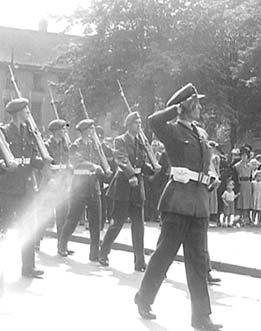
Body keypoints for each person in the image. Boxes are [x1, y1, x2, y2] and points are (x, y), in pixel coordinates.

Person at [134, 83, 222, 330]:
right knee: (164, 255)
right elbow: (152, 121)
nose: (201, 108)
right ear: (186, 107)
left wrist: (212, 177)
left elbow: (208, 163)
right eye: (197, 104)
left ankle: (201, 317)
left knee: (198, 260)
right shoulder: (172, 131)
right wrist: (176, 108)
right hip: (177, 203)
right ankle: (143, 298)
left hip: (199, 204)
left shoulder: (202, 134)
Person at [98, 112, 151, 271]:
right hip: (123, 187)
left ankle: (139, 261)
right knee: (117, 223)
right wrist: (131, 174)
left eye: (140, 123)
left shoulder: (141, 142)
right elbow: (121, 159)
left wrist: (153, 169)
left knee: (139, 226)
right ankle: (103, 252)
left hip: (137, 189)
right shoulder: (120, 140)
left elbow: (141, 163)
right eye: (136, 123)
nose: (139, 126)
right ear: (129, 125)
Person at [0, 98, 45, 278]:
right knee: (2, 228)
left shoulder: (30, 133)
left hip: (26, 186)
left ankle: (28, 268)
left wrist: (44, 163)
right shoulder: (4, 132)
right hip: (8, 188)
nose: (28, 113)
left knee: (28, 227)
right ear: (18, 112)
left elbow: (34, 156)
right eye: (26, 110)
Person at [58, 119, 107, 261]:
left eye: (93, 129)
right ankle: (62, 245)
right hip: (79, 187)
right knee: (72, 219)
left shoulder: (95, 146)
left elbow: (103, 160)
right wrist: (94, 166)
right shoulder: (75, 146)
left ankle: (94, 253)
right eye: (90, 129)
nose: (93, 132)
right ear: (84, 131)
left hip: (94, 186)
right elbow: (77, 162)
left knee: (95, 222)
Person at [45, 119, 72, 252]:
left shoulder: (65, 145)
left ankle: (62, 245)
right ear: (55, 131)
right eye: (62, 129)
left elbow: (67, 164)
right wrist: (50, 179)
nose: (64, 131)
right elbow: (45, 165)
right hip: (51, 182)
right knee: (45, 213)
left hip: (62, 183)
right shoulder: (47, 145)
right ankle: (37, 240)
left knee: (63, 214)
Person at [233, 147, 252, 226]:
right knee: (240, 202)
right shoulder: (236, 166)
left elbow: (251, 177)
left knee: (247, 201)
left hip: (248, 184)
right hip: (241, 184)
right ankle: (238, 218)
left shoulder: (249, 166)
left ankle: (246, 218)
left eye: (246, 155)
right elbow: (234, 177)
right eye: (242, 155)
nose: (244, 157)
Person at [208, 141, 221, 226]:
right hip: (207, 176)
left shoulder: (215, 158)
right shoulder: (204, 156)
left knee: (213, 198)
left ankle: (212, 215)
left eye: (212, 148)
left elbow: (217, 168)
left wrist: (218, 177)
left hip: (213, 177)